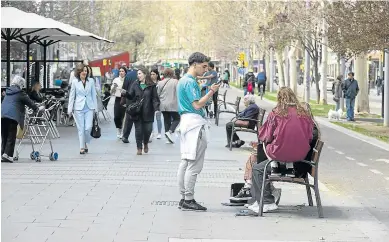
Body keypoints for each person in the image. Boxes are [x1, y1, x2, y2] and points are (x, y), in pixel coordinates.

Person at [246, 87, 313, 214]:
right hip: (301, 156)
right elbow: (310, 136)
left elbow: (266, 136)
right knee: (270, 155)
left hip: (279, 154)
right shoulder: (304, 113)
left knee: (258, 167)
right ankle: (261, 198)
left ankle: (266, 200)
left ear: (279, 99)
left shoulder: (276, 113)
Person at [176, 52, 220, 211]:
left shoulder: (183, 81)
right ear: (194, 64)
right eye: (203, 66)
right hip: (194, 123)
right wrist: (211, 92)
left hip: (186, 122)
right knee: (194, 164)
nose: (205, 70)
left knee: (186, 161)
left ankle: (183, 196)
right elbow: (197, 105)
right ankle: (189, 198)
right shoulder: (190, 82)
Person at [2, 76, 43, 162]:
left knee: (4, 134)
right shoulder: (20, 93)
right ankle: (8, 155)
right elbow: (30, 103)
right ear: (20, 84)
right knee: (11, 135)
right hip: (13, 116)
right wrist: (37, 109)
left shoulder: (8, 91)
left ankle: (3, 153)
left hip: (2, 115)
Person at [126, 66, 160, 155]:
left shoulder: (151, 85)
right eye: (137, 74)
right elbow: (131, 96)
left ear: (145, 74)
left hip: (148, 111)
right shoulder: (135, 84)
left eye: (140, 73)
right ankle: (139, 147)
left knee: (148, 130)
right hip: (137, 111)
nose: (138, 75)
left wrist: (156, 109)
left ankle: (145, 143)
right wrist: (125, 93)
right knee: (138, 130)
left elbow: (155, 98)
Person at [68, 63, 98, 154]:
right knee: (81, 128)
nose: (84, 72)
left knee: (88, 128)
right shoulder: (74, 82)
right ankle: (82, 147)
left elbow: (94, 95)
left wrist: (95, 109)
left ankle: (85, 141)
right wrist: (69, 109)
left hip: (89, 107)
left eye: (86, 71)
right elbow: (72, 96)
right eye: (83, 71)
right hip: (78, 108)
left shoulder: (91, 81)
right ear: (79, 72)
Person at [157, 68, 180, 144]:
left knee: (166, 120)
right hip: (173, 103)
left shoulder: (160, 83)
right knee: (177, 118)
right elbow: (179, 92)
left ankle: (168, 138)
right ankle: (170, 132)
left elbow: (157, 94)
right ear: (172, 74)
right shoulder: (176, 82)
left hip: (163, 104)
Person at [121, 64, 138, 143]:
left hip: (129, 100)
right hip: (140, 99)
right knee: (140, 118)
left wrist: (123, 100)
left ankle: (125, 136)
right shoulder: (143, 74)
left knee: (128, 119)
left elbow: (124, 88)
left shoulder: (128, 75)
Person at [111, 67, 127, 138]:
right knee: (116, 116)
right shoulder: (116, 80)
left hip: (125, 98)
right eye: (120, 71)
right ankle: (118, 128)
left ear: (125, 72)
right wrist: (114, 87)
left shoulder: (127, 80)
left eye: (122, 71)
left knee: (123, 116)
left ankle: (122, 131)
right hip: (117, 99)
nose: (121, 72)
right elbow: (112, 91)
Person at [151, 68, 163, 139]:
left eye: (153, 74)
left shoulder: (160, 83)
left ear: (157, 75)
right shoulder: (148, 82)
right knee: (151, 118)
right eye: (151, 74)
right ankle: (152, 132)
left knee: (158, 118)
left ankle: (159, 133)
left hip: (158, 102)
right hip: (150, 102)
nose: (152, 75)